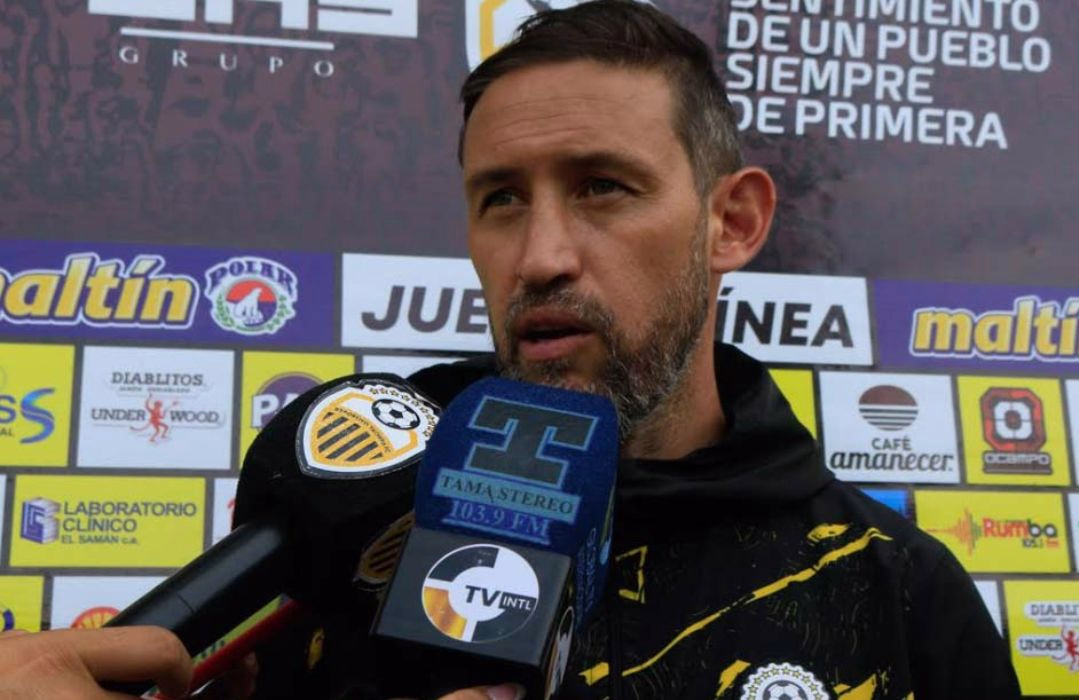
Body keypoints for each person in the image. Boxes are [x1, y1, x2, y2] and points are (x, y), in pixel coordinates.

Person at [0, 1, 1020, 698]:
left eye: (603, 187)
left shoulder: (895, 590)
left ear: (733, 222)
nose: (539, 257)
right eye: (500, 199)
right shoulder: (348, 525)